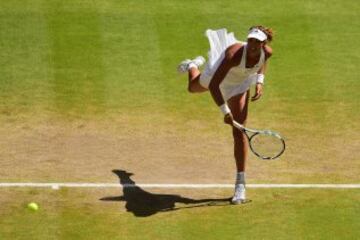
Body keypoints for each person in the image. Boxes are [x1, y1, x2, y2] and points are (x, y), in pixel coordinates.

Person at [177, 26, 274, 204]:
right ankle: (192, 65)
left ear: (263, 44)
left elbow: (262, 63)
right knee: (192, 88)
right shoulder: (234, 54)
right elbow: (214, 86)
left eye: (257, 42)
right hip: (216, 78)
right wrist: (225, 112)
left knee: (239, 131)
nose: (252, 44)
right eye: (250, 40)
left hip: (239, 86)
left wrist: (259, 82)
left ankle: (240, 185)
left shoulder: (267, 52)